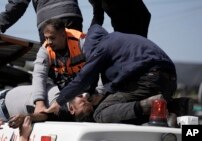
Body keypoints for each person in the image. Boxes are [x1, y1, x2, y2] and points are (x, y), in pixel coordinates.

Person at [45, 24, 192, 124]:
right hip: (169, 80)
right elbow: (106, 78)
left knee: (100, 113)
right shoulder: (112, 40)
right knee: (123, 110)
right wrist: (96, 93)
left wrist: (59, 101)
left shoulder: (99, 49)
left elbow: (84, 77)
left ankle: (153, 104)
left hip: (149, 78)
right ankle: (176, 106)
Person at [31, 18, 89, 121]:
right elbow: (39, 76)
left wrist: (99, 93)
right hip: (62, 93)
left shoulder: (82, 42)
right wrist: (39, 103)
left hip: (88, 90)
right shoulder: (44, 50)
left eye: (52, 38)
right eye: (46, 38)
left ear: (63, 34)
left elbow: (99, 66)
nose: (48, 42)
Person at [0, 0, 83, 43]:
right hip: (72, 14)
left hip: (49, 20)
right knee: (78, 55)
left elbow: (18, 3)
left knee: (55, 63)